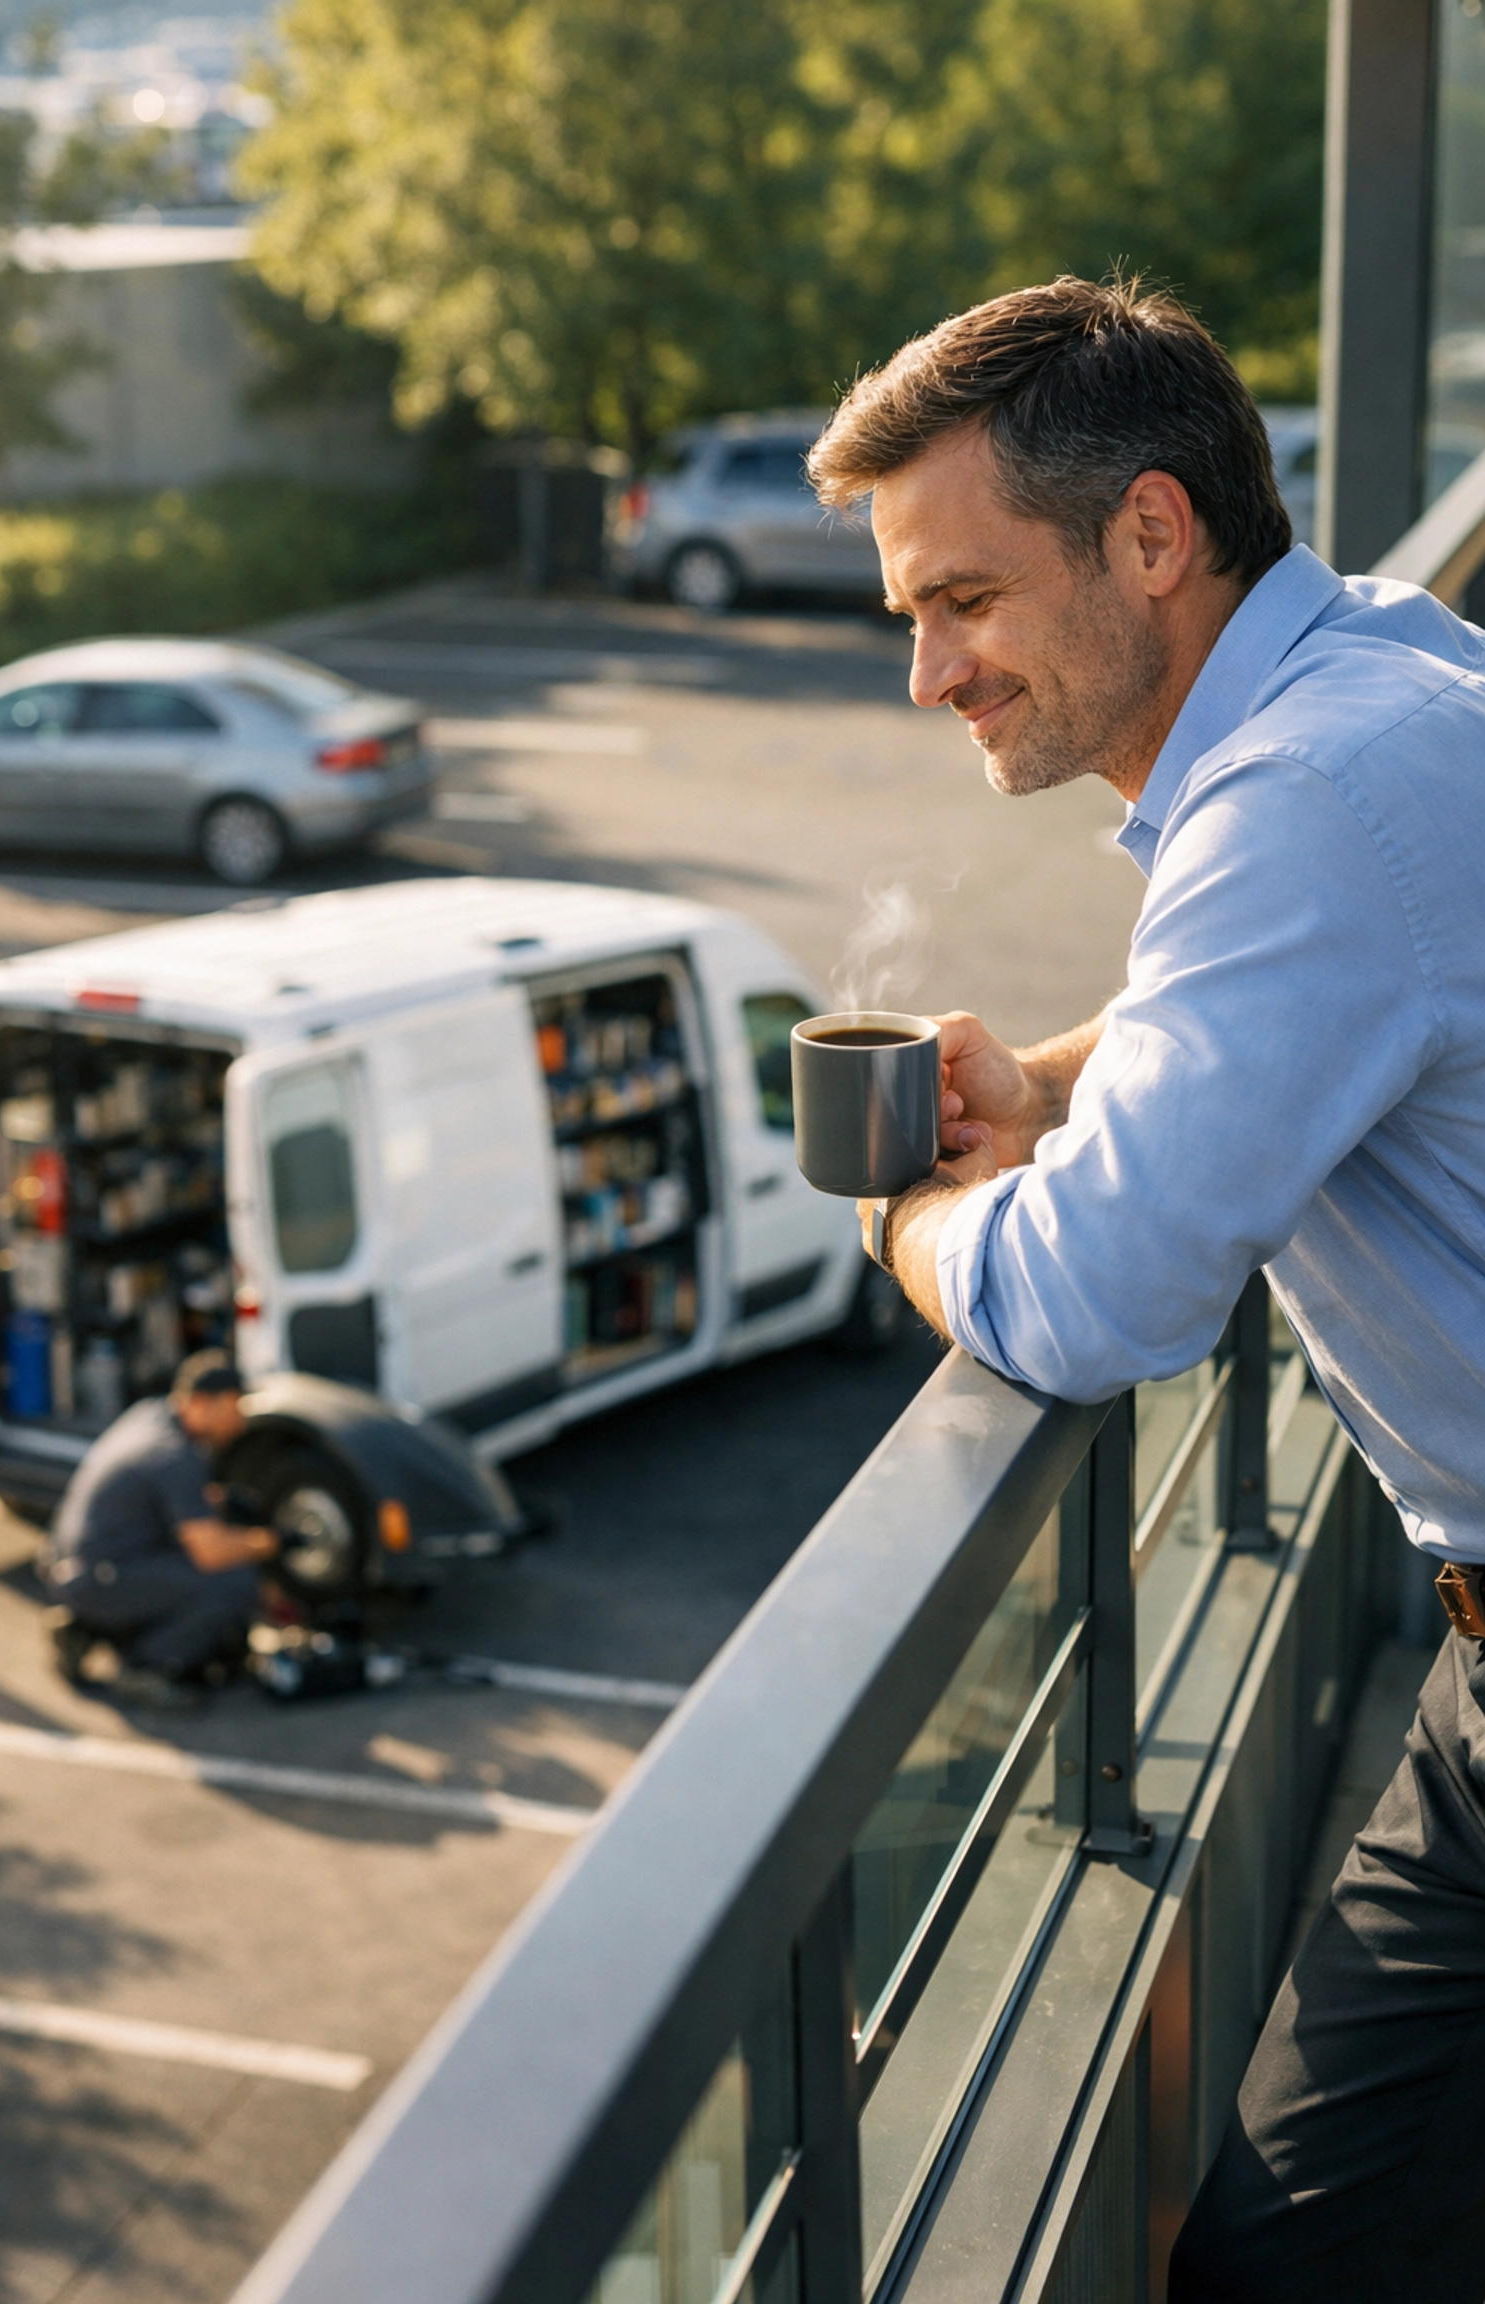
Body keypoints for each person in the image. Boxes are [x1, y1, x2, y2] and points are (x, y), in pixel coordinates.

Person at [805, 275, 1485, 2302]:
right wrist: (1051, 1081)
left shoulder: (1307, 803)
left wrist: (903, 1219)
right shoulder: (1383, 673)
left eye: (965, 603)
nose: (930, 673)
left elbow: (1095, 1300)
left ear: (1155, 534)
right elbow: (1338, 994)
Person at [43, 1349, 278, 1712]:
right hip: (99, 1577)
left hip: (68, 1561)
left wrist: (213, 1504)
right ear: (202, 1403)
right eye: (233, 1410)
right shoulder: (174, 1456)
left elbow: (153, 1502)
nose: (238, 1424)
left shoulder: (150, 1415)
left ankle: (86, 1629)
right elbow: (211, 1552)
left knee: (180, 1564)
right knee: (235, 1582)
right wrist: (269, 1541)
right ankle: (146, 1668)